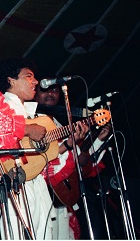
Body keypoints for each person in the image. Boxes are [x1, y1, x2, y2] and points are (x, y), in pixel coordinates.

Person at [0, 58, 54, 239]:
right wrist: (27, 129)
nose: (36, 82)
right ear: (11, 81)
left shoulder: (31, 112)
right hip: (12, 180)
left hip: (35, 180)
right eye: (29, 76)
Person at [33, 82, 89, 239]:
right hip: (39, 195)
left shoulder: (57, 123)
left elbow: (78, 159)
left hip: (58, 194)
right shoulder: (30, 119)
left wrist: (96, 140)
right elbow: (39, 155)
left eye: (55, 89)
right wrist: (67, 145)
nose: (50, 93)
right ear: (34, 91)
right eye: (45, 89)